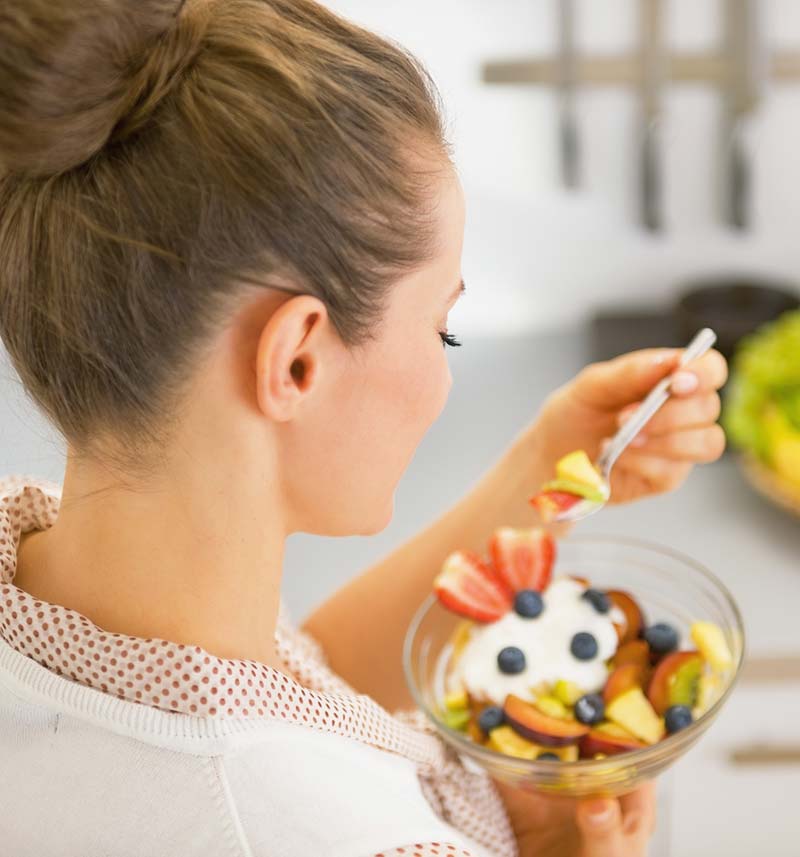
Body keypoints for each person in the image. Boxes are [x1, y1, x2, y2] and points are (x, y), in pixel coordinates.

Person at [0, 0, 727, 854]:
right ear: (297, 360)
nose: (443, 371)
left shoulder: (63, 573)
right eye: (439, 327)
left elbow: (292, 682)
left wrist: (542, 468)